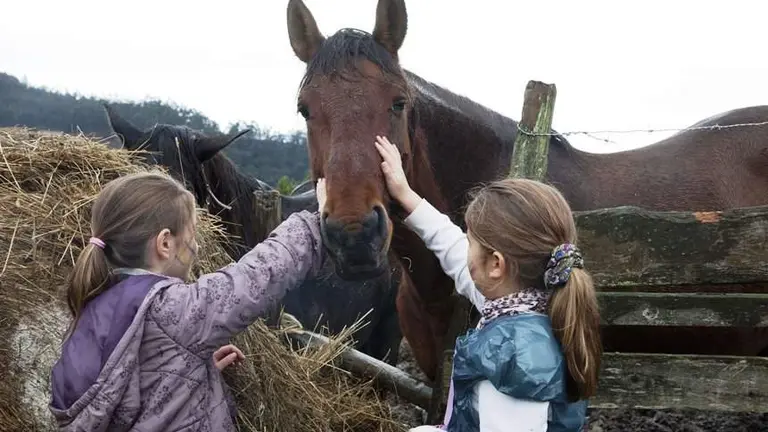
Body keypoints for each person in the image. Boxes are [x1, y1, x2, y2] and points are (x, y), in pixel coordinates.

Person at [49, 172, 327, 431]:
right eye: (192, 236)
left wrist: (186, 372)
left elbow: (130, 392)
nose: (196, 247)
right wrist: (319, 219)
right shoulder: (172, 308)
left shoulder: (93, 312)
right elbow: (256, 278)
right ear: (165, 244)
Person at [373, 136, 602, 431]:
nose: (464, 249)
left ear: (496, 264)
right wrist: (406, 195)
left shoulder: (515, 358)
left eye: (471, 242)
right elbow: (453, 250)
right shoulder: (530, 309)